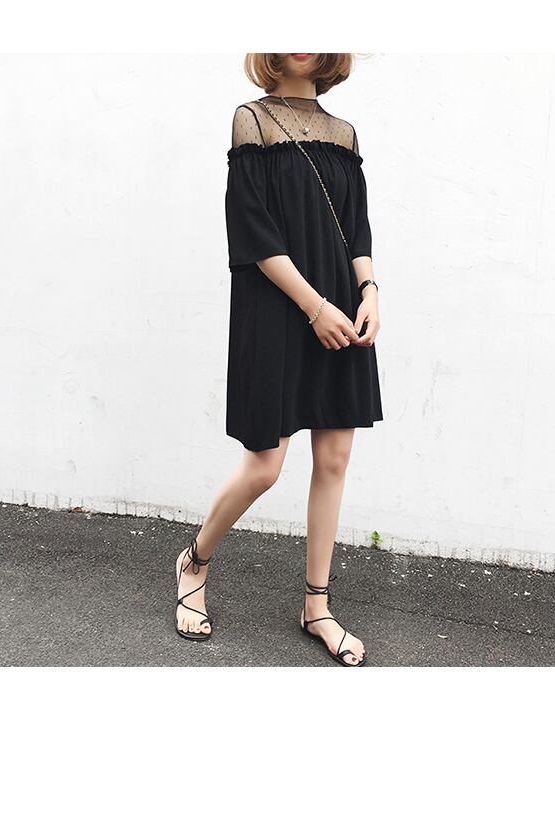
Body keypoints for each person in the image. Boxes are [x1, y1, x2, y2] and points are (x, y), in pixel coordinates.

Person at [174, 53, 383, 666]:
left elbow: (357, 228)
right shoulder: (253, 121)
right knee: (265, 466)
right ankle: (194, 560)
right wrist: (314, 307)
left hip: (341, 308)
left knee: (334, 458)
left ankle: (317, 607)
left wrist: (369, 292)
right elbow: (252, 231)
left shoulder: (344, 135)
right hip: (281, 307)